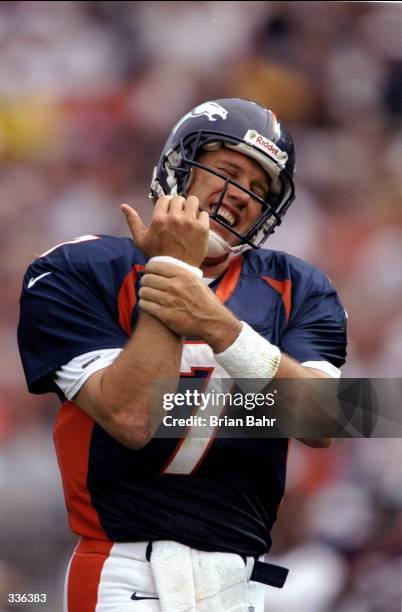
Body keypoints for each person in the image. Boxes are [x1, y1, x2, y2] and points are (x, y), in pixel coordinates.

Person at [18, 98, 347, 612]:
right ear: (179, 164)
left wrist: (215, 324)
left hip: (244, 580)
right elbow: (130, 416)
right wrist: (175, 271)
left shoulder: (301, 287)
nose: (240, 194)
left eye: (259, 189)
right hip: (123, 570)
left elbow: (328, 419)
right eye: (227, 170)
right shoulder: (77, 268)